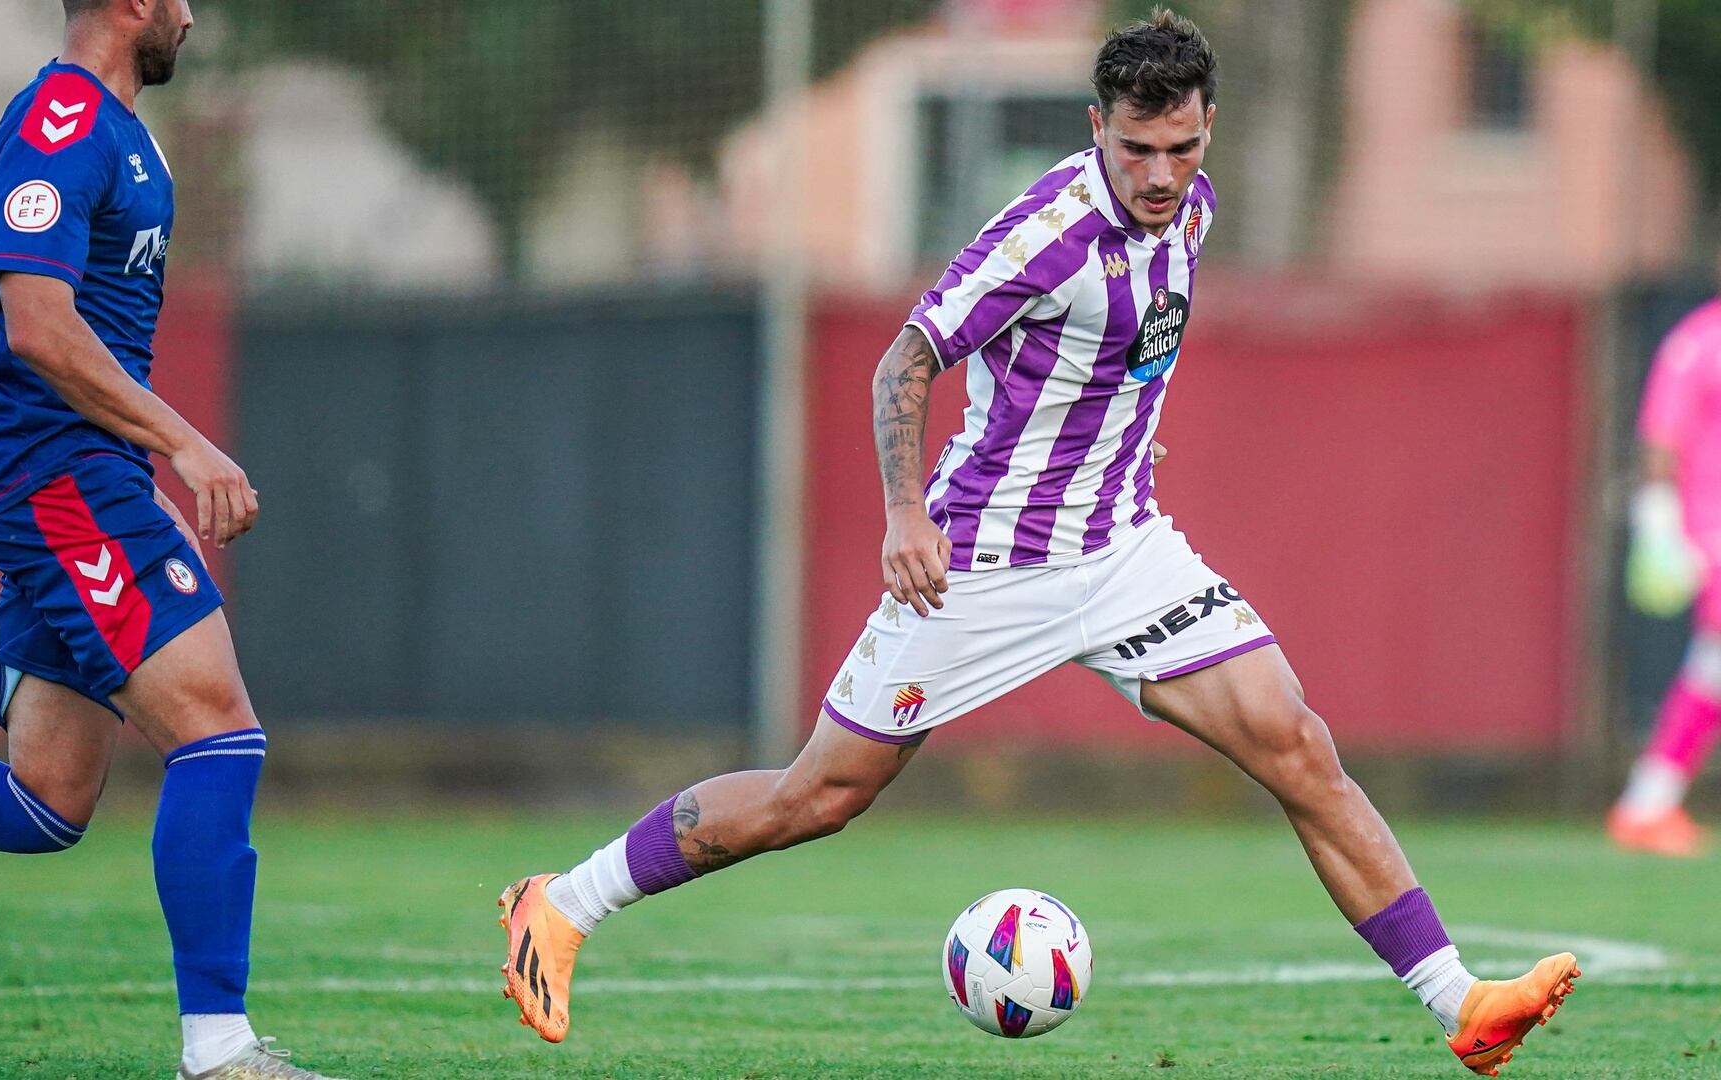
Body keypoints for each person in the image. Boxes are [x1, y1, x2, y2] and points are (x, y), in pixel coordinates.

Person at [497, 10, 1578, 1076]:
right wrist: (905, 513)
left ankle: (1460, 1005)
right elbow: (908, 358)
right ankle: (564, 902)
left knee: (1296, 742)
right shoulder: (1045, 235)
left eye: (1184, 147)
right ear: (1095, 126)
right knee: (816, 798)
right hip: (984, 561)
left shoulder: (1192, 208)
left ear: (1210, 131)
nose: (1161, 174)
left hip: (1123, 551)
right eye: (1137, 149)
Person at [0, 3, 336, 1077]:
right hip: (59, 481)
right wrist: (186, 445)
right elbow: (37, 323)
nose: (191, 13)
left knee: (42, 800)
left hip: (81, 477)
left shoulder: (121, 131)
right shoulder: (59, 123)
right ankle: (221, 1053)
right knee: (218, 731)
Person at [1608, 292, 1721, 857]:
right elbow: (1661, 437)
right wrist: (1657, 526)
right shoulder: (1696, 341)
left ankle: (1647, 803)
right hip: (1713, 527)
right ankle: (1646, 803)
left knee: (1713, 667)